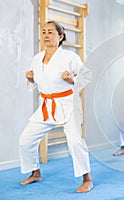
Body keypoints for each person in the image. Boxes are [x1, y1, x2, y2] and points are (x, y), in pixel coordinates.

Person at [19, 21, 93, 192]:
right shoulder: (37, 58)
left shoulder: (70, 57)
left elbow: (87, 76)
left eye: (51, 32)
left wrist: (72, 80)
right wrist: (30, 79)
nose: (46, 35)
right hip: (47, 105)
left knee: (75, 142)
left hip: (67, 104)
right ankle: (35, 172)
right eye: (44, 31)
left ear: (60, 37)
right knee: (25, 140)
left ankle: (87, 178)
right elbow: (38, 82)